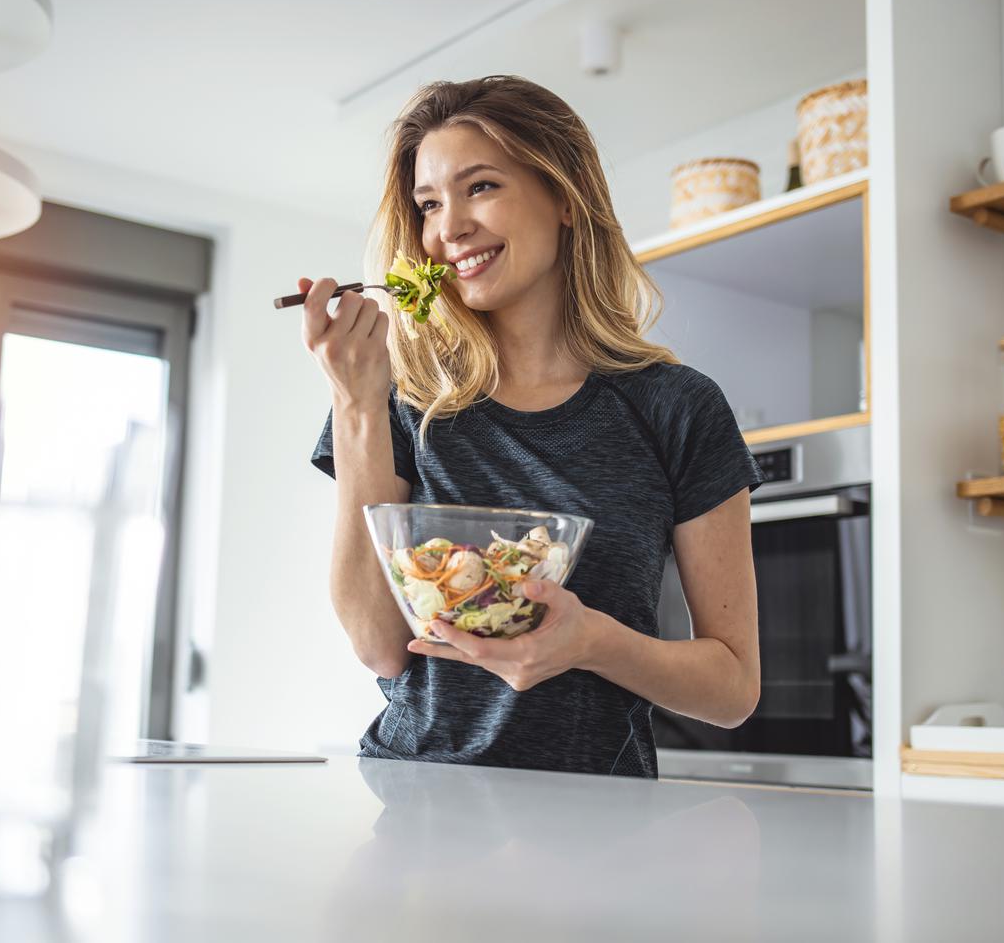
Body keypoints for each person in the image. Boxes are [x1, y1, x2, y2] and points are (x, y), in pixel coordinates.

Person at [303, 75, 764, 778]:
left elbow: (733, 689)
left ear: (565, 196)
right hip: (419, 805)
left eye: (480, 186)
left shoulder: (680, 408)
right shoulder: (396, 395)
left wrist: (591, 641)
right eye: (429, 204)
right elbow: (379, 644)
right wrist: (356, 404)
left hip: (601, 825)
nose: (448, 228)